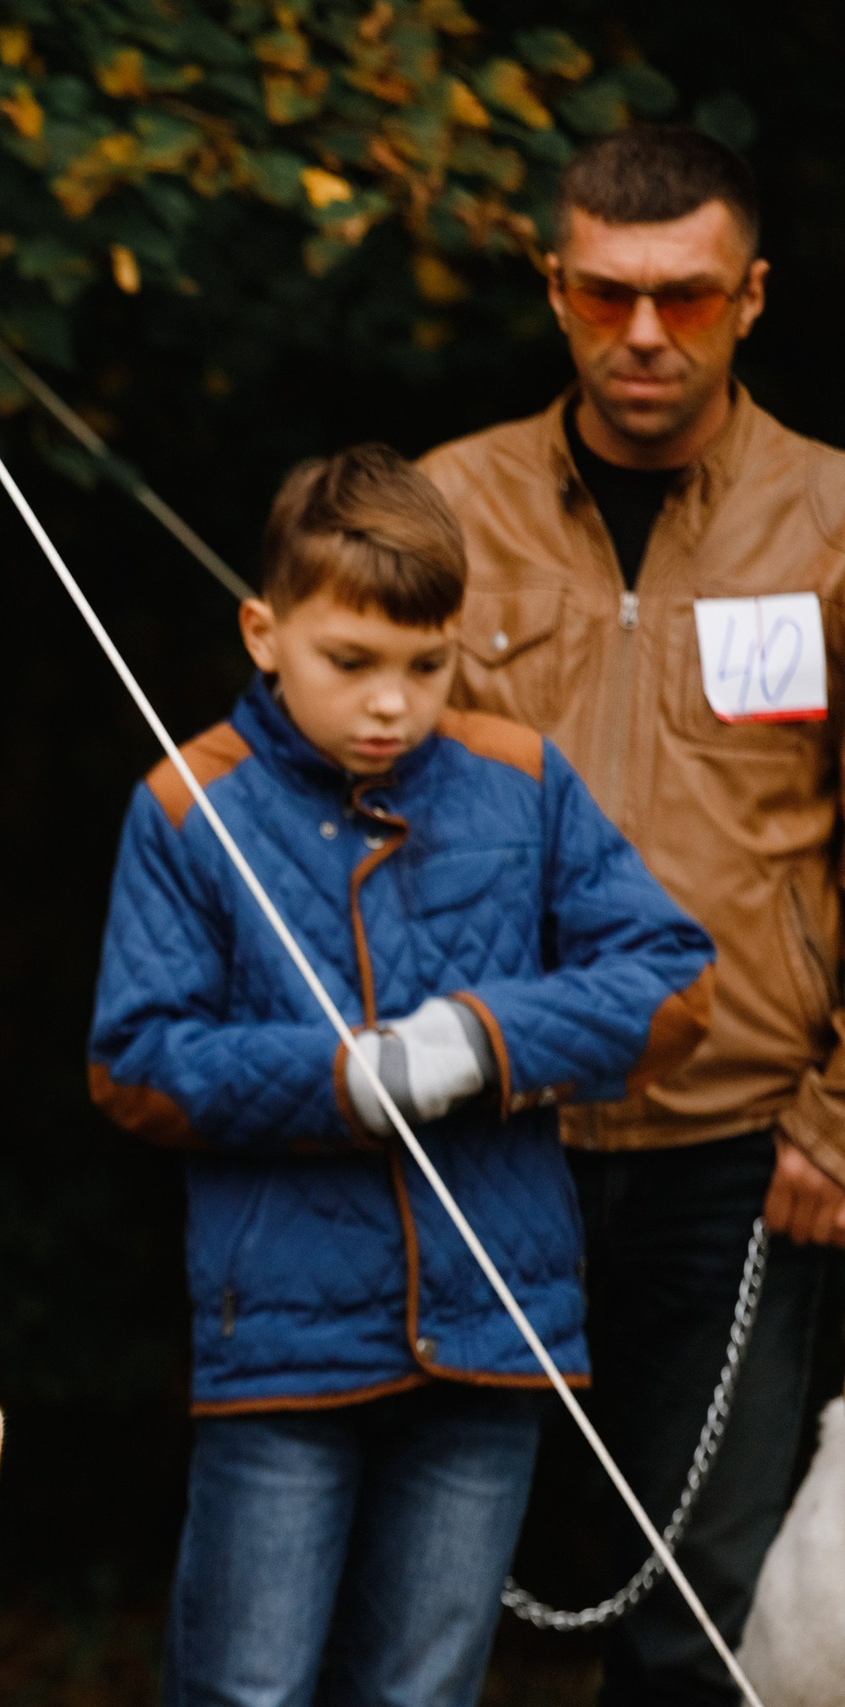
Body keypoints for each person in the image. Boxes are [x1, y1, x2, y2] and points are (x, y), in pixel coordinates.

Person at [88, 446, 716, 1707]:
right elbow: (137, 1063)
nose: (391, 704)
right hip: (281, 1342)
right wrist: (346, 1079)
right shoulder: (187, 803)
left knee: (423, 1692)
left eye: (426, 667)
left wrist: (481, 1041)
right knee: (247, 1687)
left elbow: (673, 986)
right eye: (351, 662)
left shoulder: (518, 780)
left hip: (492, 1337)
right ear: (264, 634)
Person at [421, 125, 844, 1707]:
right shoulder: (447, 506)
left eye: (687, 296)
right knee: (432, 1572)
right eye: (607, 294)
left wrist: (838, 1115)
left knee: (693, 1601)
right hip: (483, 1123)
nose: (645, 333)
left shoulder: (830, 519)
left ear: (753, 297)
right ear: (555, 287)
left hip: (745, 1147)